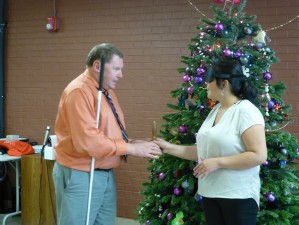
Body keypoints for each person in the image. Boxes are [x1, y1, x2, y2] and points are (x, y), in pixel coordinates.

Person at [52, 43, 162, 225]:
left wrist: (138, 144)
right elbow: (88, 143)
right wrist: (132, 149)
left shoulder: (106, 92)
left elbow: (108, 134)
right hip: (82, 173)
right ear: (98, 66)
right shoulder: (79, 91)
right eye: (117, 69)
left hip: (104, 173)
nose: (121, 75)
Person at [154, 61, 267, 225]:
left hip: (238, 196)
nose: (205, 84)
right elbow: (204, 152)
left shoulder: (246, 111)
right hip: (212, 193)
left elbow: (258, 155)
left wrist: (218, 162)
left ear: (224, 84)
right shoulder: (216, 110)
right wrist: (168, 147)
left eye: (209, 80)